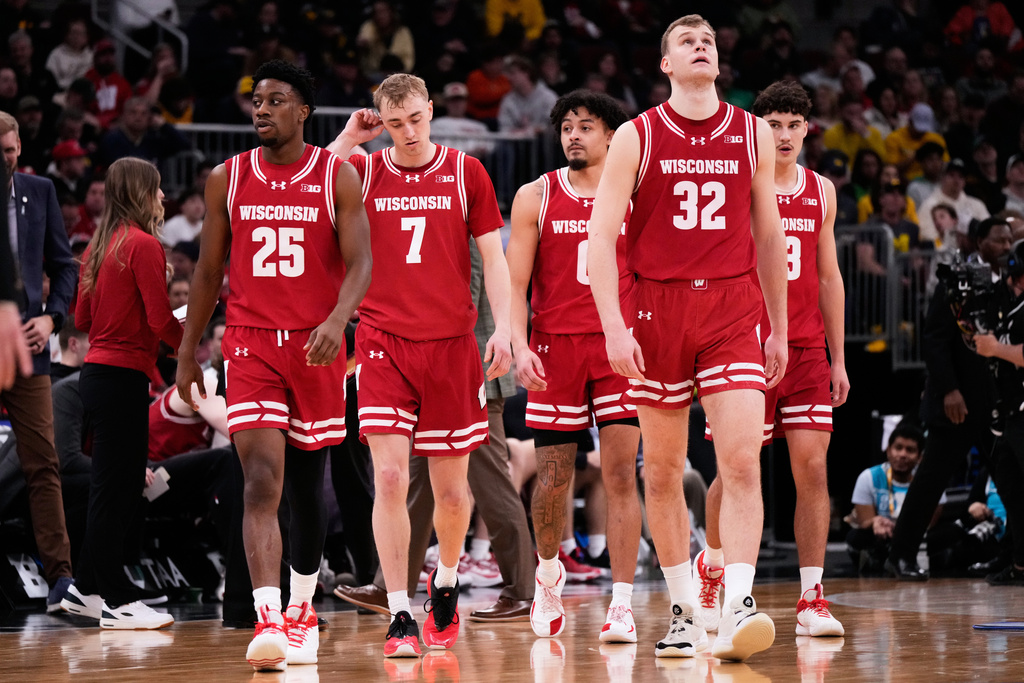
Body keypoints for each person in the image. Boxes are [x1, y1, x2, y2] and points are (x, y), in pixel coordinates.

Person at [587, 15, 788, 662]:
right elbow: (599, 239)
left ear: (718, 61)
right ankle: (681, 605)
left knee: (741, 460)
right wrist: (614, 326)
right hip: (656, 310)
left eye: (709, 40)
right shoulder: (635, 136)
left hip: (731, 308)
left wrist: (778, 326)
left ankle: (737, 603)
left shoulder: (752, 130)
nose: (702, 45)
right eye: (686, 41)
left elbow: (769, 236)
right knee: (666, 468)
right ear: (666, 64)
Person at [175, 60, 372, 670]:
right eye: (256, 100)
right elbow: (208, 274)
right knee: (261, 478)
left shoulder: (335, 176)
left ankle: (303, 609)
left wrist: (338, 320)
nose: (261, 110)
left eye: (275, 100)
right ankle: (268, 620)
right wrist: (189, 349)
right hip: (252, 341)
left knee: (309, 492)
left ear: (303, 111)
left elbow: (362, 264)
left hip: (317, 344)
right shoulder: (225, 179)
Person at [327, 72, 512, 657]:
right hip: (383, 341)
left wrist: (506, 327)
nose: (408, 133)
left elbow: (494, 259)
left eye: (416, 119)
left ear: (431, 110)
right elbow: (308, 188)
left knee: (453, 494)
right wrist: (348, 140)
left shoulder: (467, 172)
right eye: (396, 122)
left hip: (453, 344)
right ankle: (401, 610)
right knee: (387, 476)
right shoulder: (366, 171)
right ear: (382, 119)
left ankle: (449, 581)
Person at [698, 80, 848, 639]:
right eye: (773, 124)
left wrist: (838, 358)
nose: (783, 135)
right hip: (742, 343)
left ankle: (811, 596)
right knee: (737, 469)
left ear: (807, 130)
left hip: (807, 349)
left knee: (812, 468)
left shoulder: (821, 191)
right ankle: (713, 564)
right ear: (756, 128)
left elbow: (829, 276)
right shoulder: (738, 186)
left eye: (793, 124)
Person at [505, 89, 641, 641]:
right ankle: (547, 576)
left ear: (611, 135)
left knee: (620, 476)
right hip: (555, 348)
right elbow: (515, 284)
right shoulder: (534, 195)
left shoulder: (638, 193)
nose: (573, 135)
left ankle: (623, 601)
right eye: (566, 127)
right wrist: (518, 343)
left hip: (618, 348)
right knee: (553, 479)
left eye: (585, 126)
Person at [57, 157, 180, 629]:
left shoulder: (97, 247)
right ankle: (115, 595)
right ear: (140, 194)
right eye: (158, 189)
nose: (163, 197)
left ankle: (85, 589)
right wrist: (186, 339)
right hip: (123, 377)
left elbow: (84, 321)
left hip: (97, 374)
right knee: (119, 489)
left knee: (115, 487)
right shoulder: (145, 246)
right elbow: (158, 320)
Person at [885, 217, 1013, 580]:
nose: (1006, 247)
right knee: (929, 482)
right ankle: (901, 555)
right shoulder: (956, 280)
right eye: (998, 240)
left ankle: (1011, 558)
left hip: (994, 405)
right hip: (955, 402)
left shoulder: (1008, 284)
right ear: (979, 242)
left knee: (1009, 482)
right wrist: (949, 390)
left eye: (1010, 241)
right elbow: (936, 339)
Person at [0, 112, 77, 612]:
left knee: (43, 463)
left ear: (20, 146)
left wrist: (53, 319)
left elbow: (64, 264)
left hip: (29, 346)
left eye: (9, 150)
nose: (5, 159)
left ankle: (62, 579)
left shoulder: (38, 190)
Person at [972, 238, 1024, 585]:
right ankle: (1020, 563)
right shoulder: (1013, 306)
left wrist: (993, 348)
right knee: (1010, 484)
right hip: (1012, 412)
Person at [846, 422, 928, 574]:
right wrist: (875, 521)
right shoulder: (869, 477)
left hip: (915, 535)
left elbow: (931, 522)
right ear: (888, 451)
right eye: (898, 448)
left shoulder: (928, 480)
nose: (902, 454)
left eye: (910, 450)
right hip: (883, 535)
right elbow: (865, 520)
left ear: (919, 457)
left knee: (948, 534)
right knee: (856, 536)